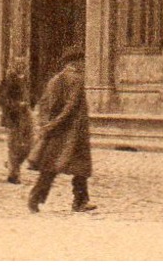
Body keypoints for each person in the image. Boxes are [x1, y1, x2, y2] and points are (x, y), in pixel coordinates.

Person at [27, 46, 95, 214]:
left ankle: (37, 199)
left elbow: (44, 103)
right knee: (78, 168)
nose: (84, 64)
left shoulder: (55, 79)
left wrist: (46, 123)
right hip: (73, 132)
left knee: (52, 167)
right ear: (76, 62)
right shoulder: (77, 79)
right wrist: (55, 123)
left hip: (59, 132)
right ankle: (78, 201)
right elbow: (70, 107)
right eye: (82, 61)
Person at [0, 60, 32, 182]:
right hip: (13, 117)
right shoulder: (8, 80)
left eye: (23, 65)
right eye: (18, 65)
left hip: (25, 116)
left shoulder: (25, 80)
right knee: (14, 146)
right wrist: (17, 104)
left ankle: (12, 163)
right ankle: (13, 174)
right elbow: (1, 100)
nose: (21, 67)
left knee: (29, 146)